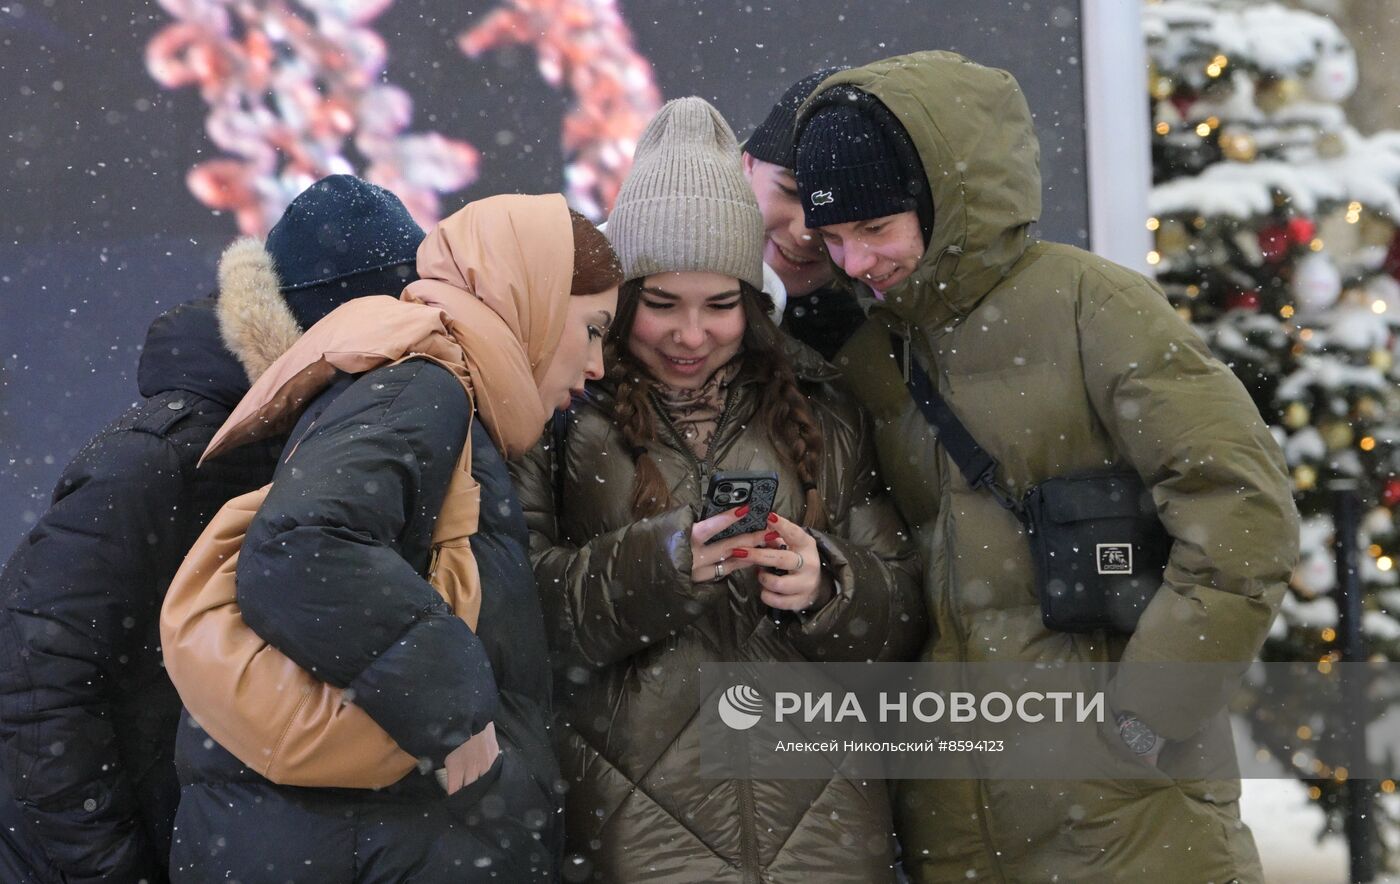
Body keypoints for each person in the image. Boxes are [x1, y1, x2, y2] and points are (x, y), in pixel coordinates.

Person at [792, 52, 1300, 883]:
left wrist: (1147, 719)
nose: (854, 264)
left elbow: (1242, 514)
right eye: (834, 238)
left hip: (1129, 815)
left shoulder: (1091, 306)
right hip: (954, 827)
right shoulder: (872, 359)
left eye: (876, 229)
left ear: (944, 202)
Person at [511, 96, 925, 883]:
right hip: (634, 841)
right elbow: (520, 615)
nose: (691, 334)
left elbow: (902, 616)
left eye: (721, 305)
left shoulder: (827, 406)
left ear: (756, 302)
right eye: (661, 305)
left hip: (827, 844)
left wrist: (828, 582)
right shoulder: (561, 412)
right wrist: (661, 565)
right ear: (623, 298)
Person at [164, 193, 620, 883]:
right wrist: (453, 708)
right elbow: (301, 547)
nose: (598, 365)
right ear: (537, 299)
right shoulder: (424, 382)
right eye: (592, 328)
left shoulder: (429, 385)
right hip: (375, 846)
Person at [0, 174, 423, 884]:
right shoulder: (158, 460)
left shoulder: (329, 449)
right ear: (335, 336)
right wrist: (117, 870)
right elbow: (33, 685)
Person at [741, 66, 865, 361]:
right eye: (790, 192)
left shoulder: (892, 334)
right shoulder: (635, 264)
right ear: (748, 164)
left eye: (838, 207)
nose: (805, 231)